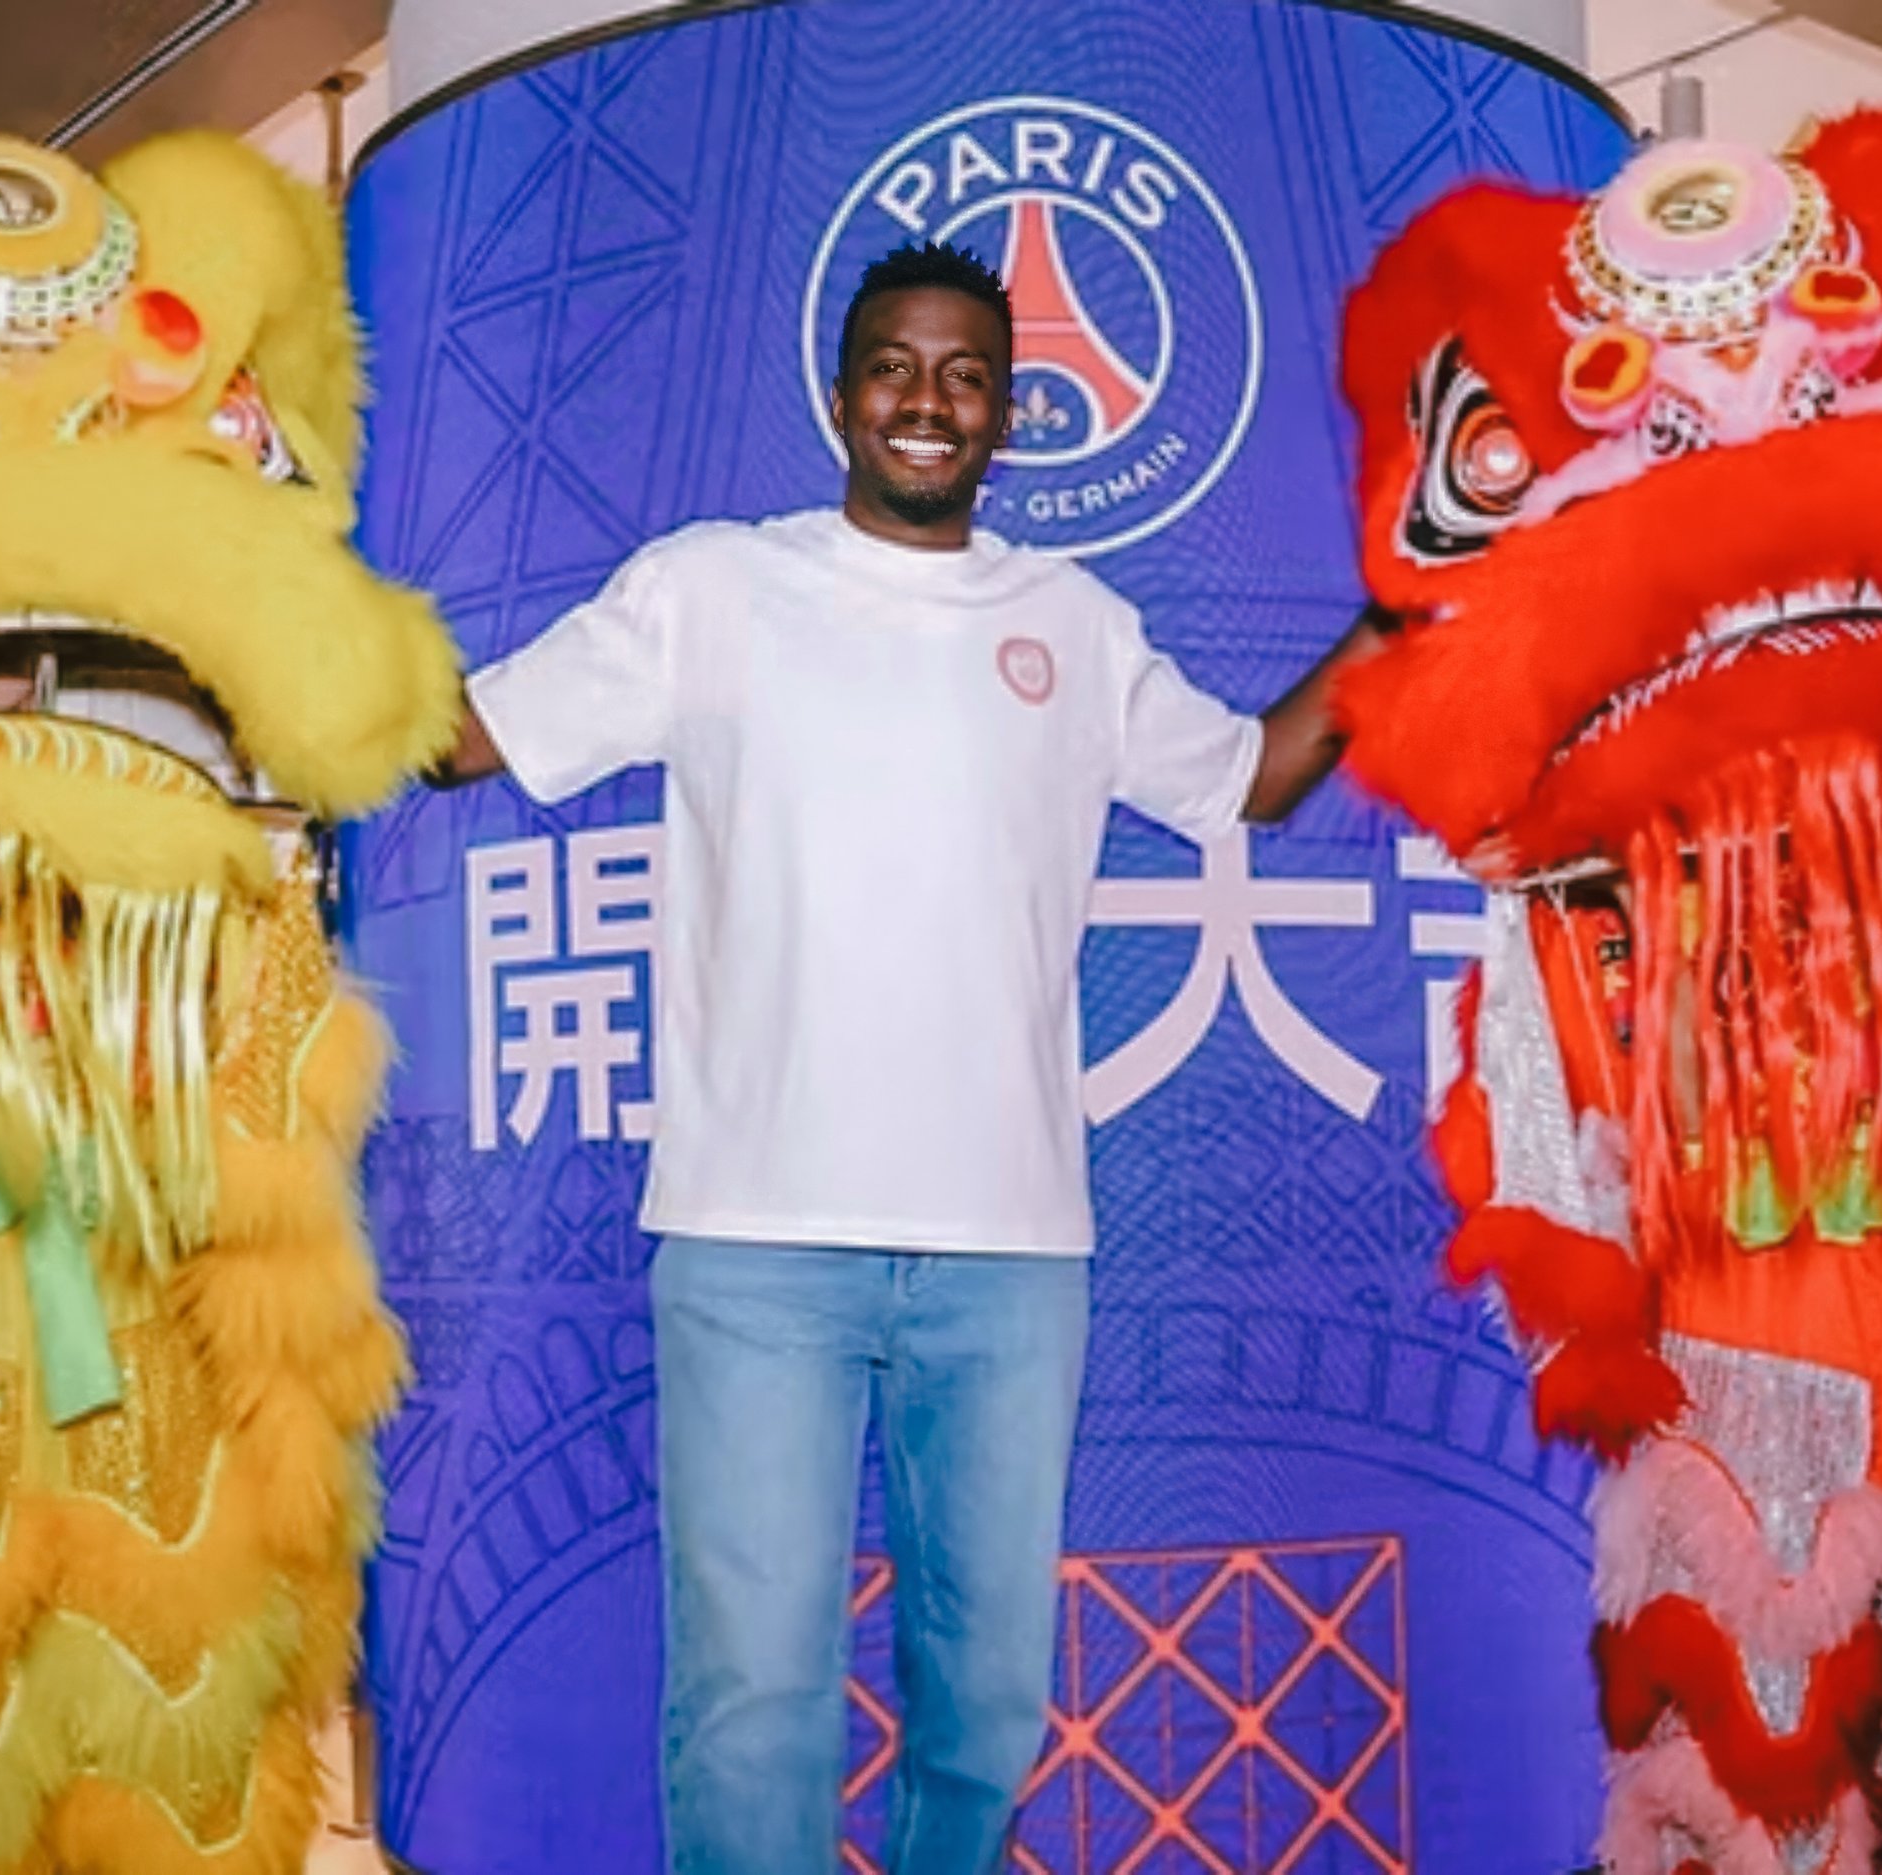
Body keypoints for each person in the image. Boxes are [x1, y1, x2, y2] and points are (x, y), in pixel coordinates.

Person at [428, 241, 1383, 1875]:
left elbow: (1254, 779)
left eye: (962, 376)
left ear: (1010, 413)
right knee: (752, 1696)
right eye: (894, 367)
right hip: (752, 1242)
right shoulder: (713, 586)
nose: (925, 403)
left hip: (1011, 1253)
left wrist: (1419, 609)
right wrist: (258, 603)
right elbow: (464, 739)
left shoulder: (1069, 624)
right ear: (838, 395)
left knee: (992, 1695)